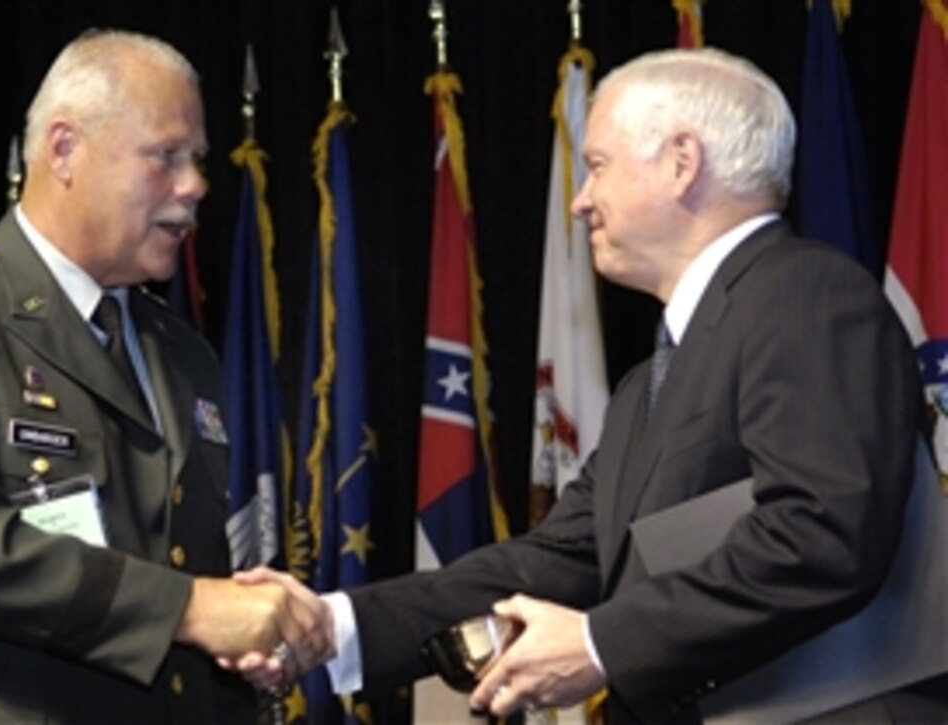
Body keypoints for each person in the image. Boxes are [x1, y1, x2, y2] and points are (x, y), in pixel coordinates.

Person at [236, 47, 941, 723]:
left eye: (598, 165)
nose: (581, 200)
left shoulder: (805, 295)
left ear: (681, 163)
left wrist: (602, 644)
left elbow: (820, 531)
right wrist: (336, 623)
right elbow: (563, 555)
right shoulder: (649, 383)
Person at [0, 29, 323, 723]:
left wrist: (242, 637)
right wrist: (193, 609)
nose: (195, 184)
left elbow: (175, 560)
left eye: (195, 159)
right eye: (165, 156)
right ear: (65, 149)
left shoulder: (184, 353)